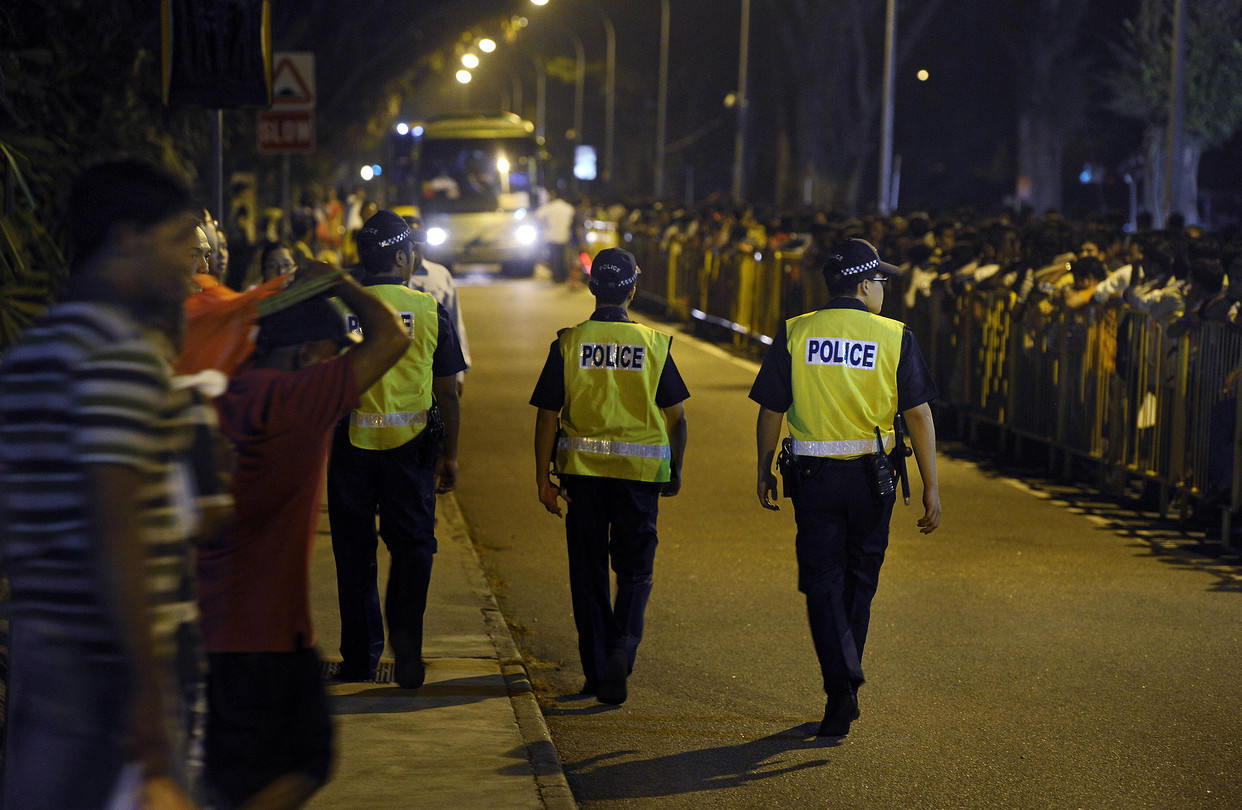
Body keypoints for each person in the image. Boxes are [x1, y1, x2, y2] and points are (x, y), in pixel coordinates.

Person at [0, 159, 205, 808]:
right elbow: (118, 526)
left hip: (39, 647)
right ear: (126, 239)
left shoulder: (32, 351)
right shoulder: (122, 355)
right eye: (178, 239)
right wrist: (146, 687)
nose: (189, 263)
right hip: (107, 659)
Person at [197, 265, 408, 809]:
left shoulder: (213, 400)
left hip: (200, 632)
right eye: (327, 352)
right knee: (305, 760)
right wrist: (340, 282)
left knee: (228, 775)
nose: (335, 364)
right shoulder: (298, 399)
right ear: (301, 353)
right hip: (267, 637)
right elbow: (393, 337)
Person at [750, 237, 941, 738]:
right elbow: (917, 414)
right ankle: (845, 687)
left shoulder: (795, 333)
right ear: (863, 285)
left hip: (812, 483)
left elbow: (772, 408)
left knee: (821, 583)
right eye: (881, 280)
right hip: (872, 482)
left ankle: (841, 686)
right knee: (860, 583)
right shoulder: (895, 336)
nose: (884, 289)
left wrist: (763, 466)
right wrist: (931, 487)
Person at [530, 247, 689, 705]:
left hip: (581, 477)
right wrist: (674, 471)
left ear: (590, 286)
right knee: (636, 573)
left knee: (588, 573)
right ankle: (622, 649)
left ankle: (597, 671)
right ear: (633, 290)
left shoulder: (569, 342)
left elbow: (546, 416)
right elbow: (676, 418)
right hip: (639, 480)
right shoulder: (654, 345)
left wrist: (543, 478)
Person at [326, 210, 466, 689]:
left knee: (353, 551)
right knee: (413, 549)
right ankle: (406, 646)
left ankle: (360, 658)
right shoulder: (428, 309)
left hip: (348, 446)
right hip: (410, 453)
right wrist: (449, 453)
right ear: (405, 257)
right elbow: (447, 391)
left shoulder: (336, 308)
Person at [404, 216, 471, 395]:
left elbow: (455, 323)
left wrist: (458, 373)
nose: (415, 242)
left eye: (419, 235)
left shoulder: (440, 275)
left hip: (436, 365)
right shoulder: (388, 277)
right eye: (409, 235)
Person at [535, 188, 577, 284]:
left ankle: (556, 276)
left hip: (551, 236)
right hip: (563, 236)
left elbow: (538, 215)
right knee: (562, 257)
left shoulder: (549, 207)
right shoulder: (568, 208)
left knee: (554, 257)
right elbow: (572, 221)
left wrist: (544, 225)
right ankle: (563, 276)